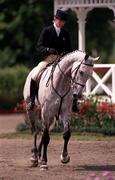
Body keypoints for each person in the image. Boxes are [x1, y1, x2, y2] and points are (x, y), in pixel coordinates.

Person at [28, 9, 71, 110]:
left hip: (61, 61)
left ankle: (73, 101)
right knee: (35, 75)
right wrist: (48, 49)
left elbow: (69, 49)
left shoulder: (66, 33)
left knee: (73, 76)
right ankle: (32, 100)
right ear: (55, 19)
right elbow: (39, 46)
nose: (61, 23)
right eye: (59, 20)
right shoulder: (47, 30)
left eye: (63, 21)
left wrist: (65, 53)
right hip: (48, 59)